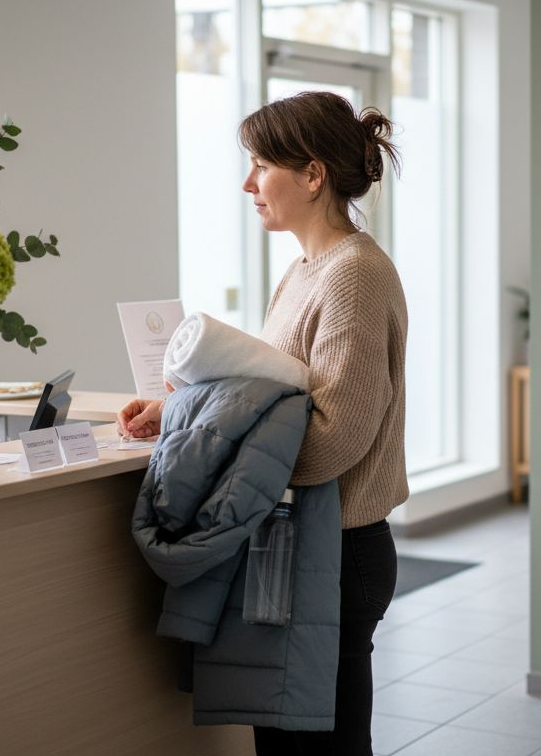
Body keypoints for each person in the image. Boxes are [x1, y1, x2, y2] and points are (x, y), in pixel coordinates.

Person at [119, 91, 408, 755]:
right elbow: (281, 390)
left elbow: (332, 440)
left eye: (260, 165)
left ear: (312, 175)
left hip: (339, 550)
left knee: (319, 747)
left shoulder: (354, 276)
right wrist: (181, 410)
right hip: (314, 547)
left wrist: (217, 444)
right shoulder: (308, 269)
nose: (247, 183)